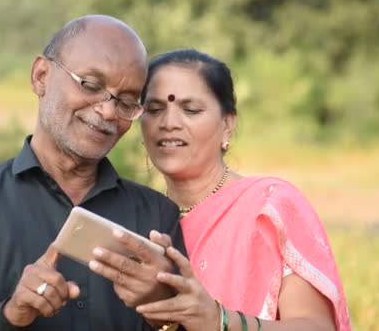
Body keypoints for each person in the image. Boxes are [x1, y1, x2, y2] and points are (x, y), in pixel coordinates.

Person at [0, 15, 186, 330]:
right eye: (90, 85)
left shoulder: (157, 218)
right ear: (41, 75)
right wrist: (9, 315)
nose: (107, 111)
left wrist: (164, 311)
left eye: (127, 101)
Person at [134, 49, 351, 331]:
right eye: (154, 109)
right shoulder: (139, 220)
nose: (169, 123)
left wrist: (219, 321)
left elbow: (316, 326)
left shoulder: (269, 206)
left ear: (227, 124)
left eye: (190, 110)